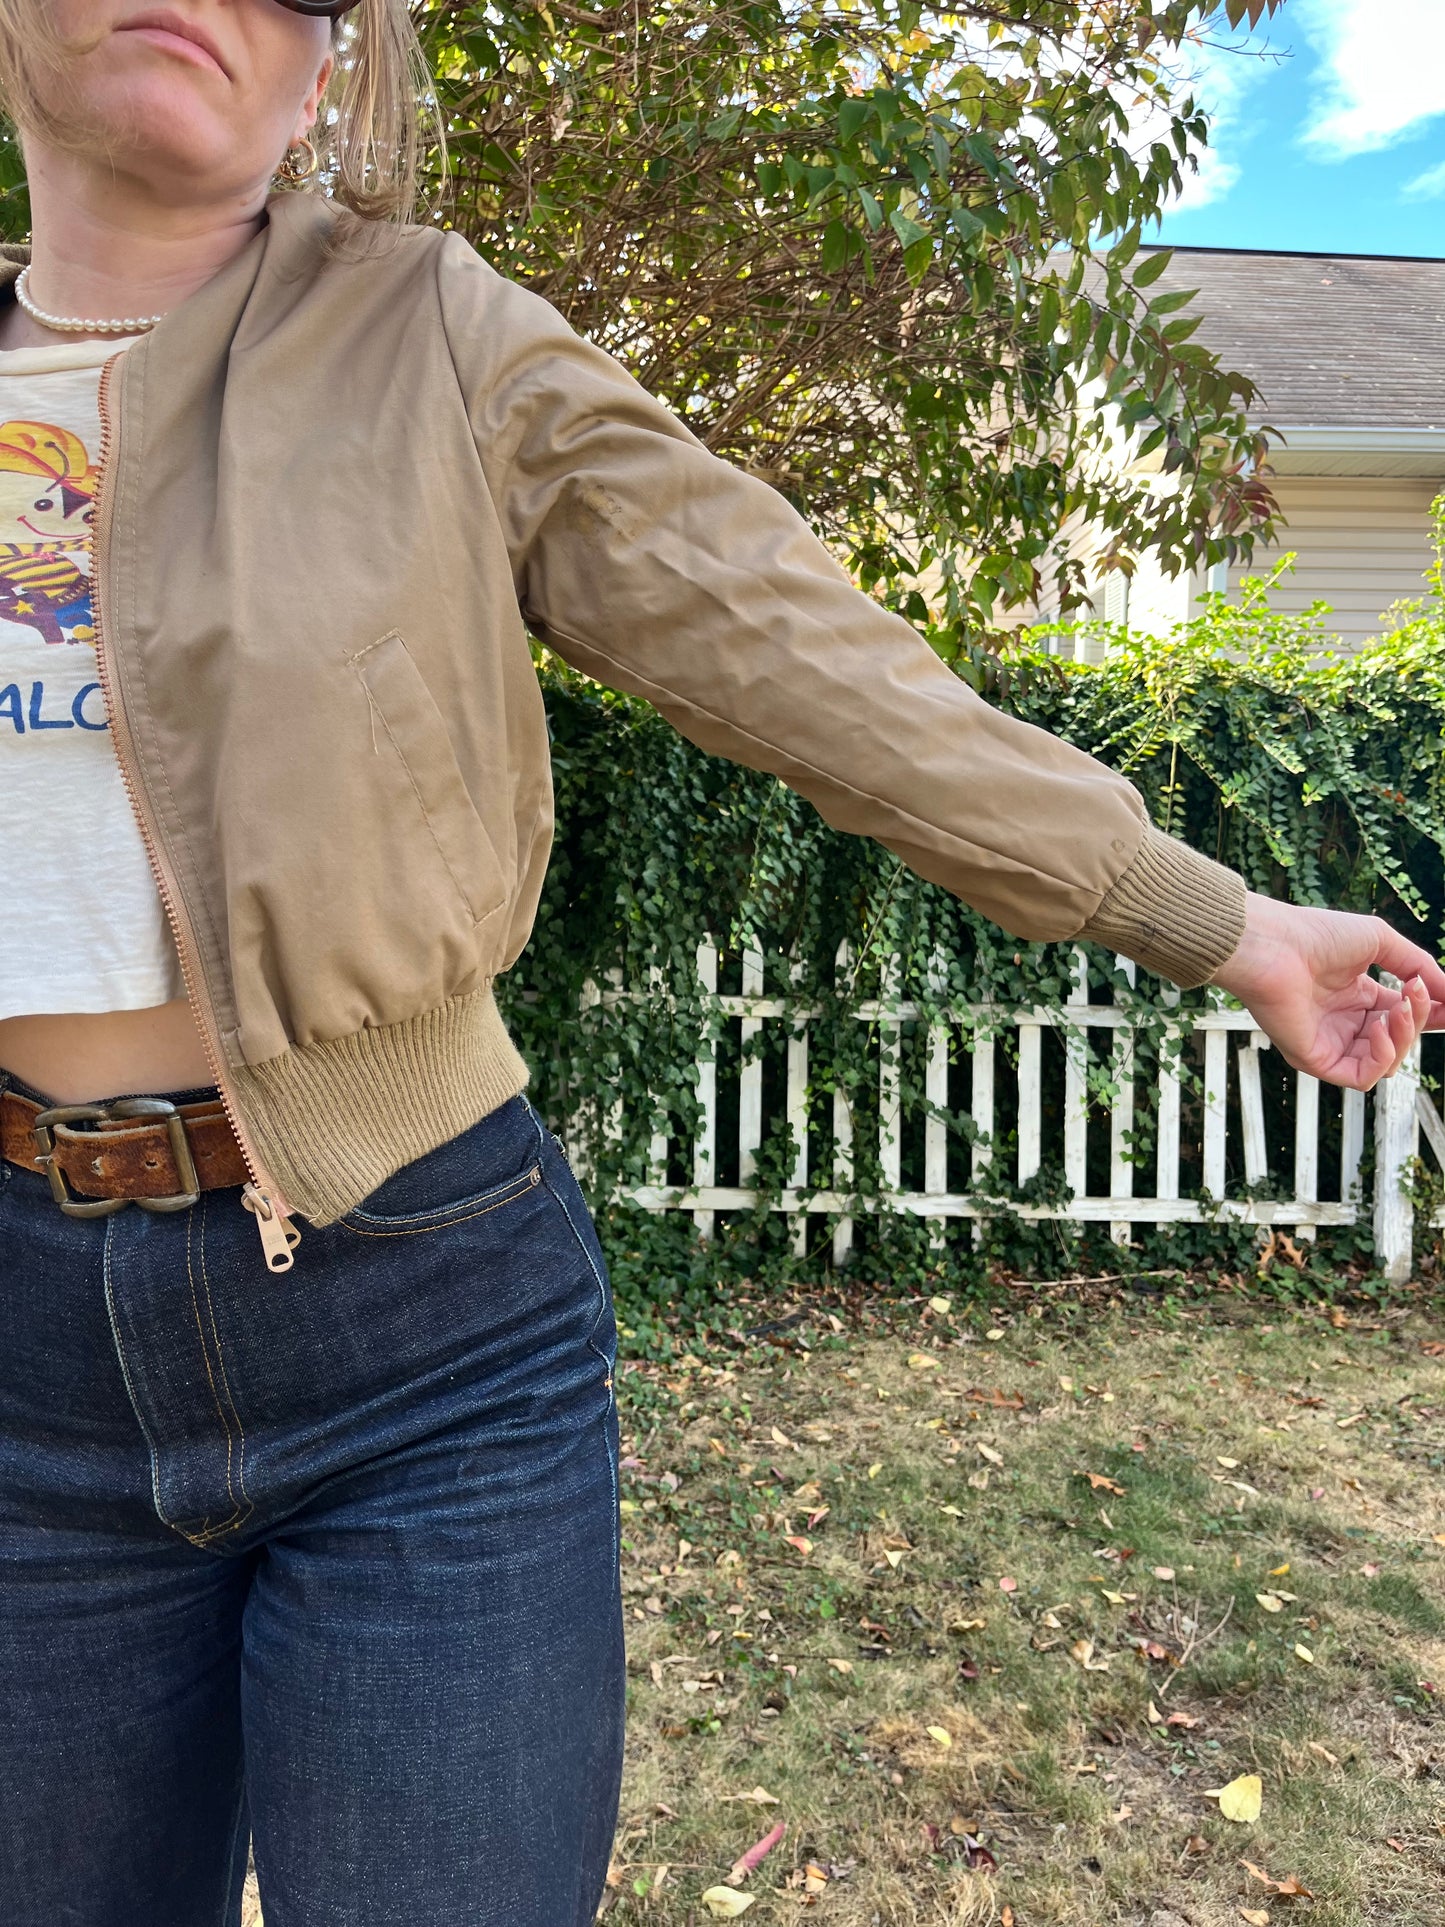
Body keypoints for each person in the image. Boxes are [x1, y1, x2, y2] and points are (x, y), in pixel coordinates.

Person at [0, 5, 1440, 1923]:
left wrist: (1230, 924)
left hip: (417, 1333)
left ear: (334, 70)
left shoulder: (423, 331)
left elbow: (804, 659)